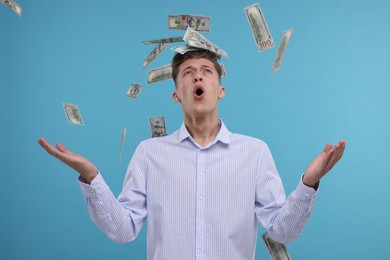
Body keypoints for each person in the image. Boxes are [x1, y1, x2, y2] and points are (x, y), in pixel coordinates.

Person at [38, 49, 346, 260]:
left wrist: (309, 183)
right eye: (187, 73)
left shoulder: (255, 152)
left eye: (206, 72)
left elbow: (283, 231)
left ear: (220, 89)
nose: (197, 78)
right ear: (176, 94)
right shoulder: (148, 153)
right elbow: (123, 230)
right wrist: (91, 177)